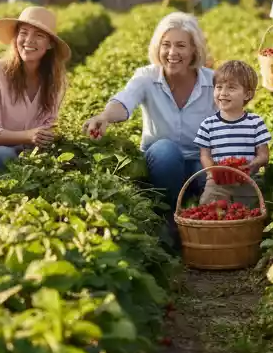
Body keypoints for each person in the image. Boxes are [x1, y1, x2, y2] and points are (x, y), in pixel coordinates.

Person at [83, 13, 214, 222]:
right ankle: (168, 216)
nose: (172, 52)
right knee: (165, 151)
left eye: (181, 45)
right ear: (158, 48)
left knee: (208, 170)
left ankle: (200, 216)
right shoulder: (146, 77)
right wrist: (105, 116)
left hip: (200, 161)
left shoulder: (212, 82)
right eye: (166, 45)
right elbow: (124, 101)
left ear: (193, 50)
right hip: (162, 163)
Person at [0, 5, 70, 172]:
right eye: (23, 33)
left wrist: (47, 136)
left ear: (49, 45)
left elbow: (49, 123)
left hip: (29, 155)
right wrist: (28, 136)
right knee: (4, 156)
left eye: (39, 35)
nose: (29, 40)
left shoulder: (53, 80)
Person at [194, 60, 270, 207]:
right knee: (209, 207)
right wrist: (211, 173)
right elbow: (205, 154)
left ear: (247, 94)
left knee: (249, 211)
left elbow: (264, 155)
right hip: (218, 182)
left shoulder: (255, 122)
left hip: (247, 180)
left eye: (231, 88)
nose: (223, 93)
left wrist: (254, 164)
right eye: (219, 87)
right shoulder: (208, 124)